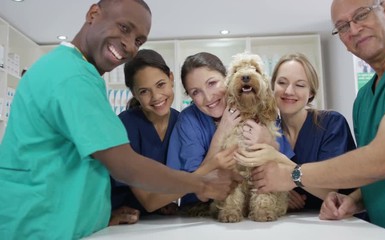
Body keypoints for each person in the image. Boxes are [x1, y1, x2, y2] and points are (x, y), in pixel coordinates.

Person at [0, 1, 242, 239]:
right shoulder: (71, 77)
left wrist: (99, 215)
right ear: (93, 13)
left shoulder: (73, 70)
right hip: (36, 227)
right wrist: (202, 184)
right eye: (124, 28)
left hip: (55, 222)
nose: (128, 45)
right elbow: (124, 166)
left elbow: (69, 163)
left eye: (138, 40)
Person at [235, 0, 385, 238]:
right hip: (380, 230)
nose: (353, 30)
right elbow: (371, 175)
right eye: (343, 26)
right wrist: (354, 201)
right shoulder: (364, 99)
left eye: (361, 15)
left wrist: (292, 175)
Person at [166, 52, 294, 208]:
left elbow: (284, 164)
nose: (208, 97)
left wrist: (269, 144)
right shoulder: (188, 120)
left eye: (212, 83)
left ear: (228, 79)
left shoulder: (257, 106)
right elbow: (195, 186)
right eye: (195, 92)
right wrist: (221, 134)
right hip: (200, 210)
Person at [270, 53, 356, 211]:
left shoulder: (331, 124)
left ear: (311, 92)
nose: (289, 91)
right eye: (282, 82)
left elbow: (329, 191)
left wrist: (279, 161)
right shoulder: (268, 129)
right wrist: (279, 195)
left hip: (339, 222)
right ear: (272, 86)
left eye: (300, 85)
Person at [109, 49, 180, 225]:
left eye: (161, 84)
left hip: (153, 220)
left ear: (171, 78)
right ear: (134, 93)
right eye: (144, 91)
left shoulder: (182, 122)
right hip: (118, 220)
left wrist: (163, 203)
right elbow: (148, 200)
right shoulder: (125, 125)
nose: (156, 97)